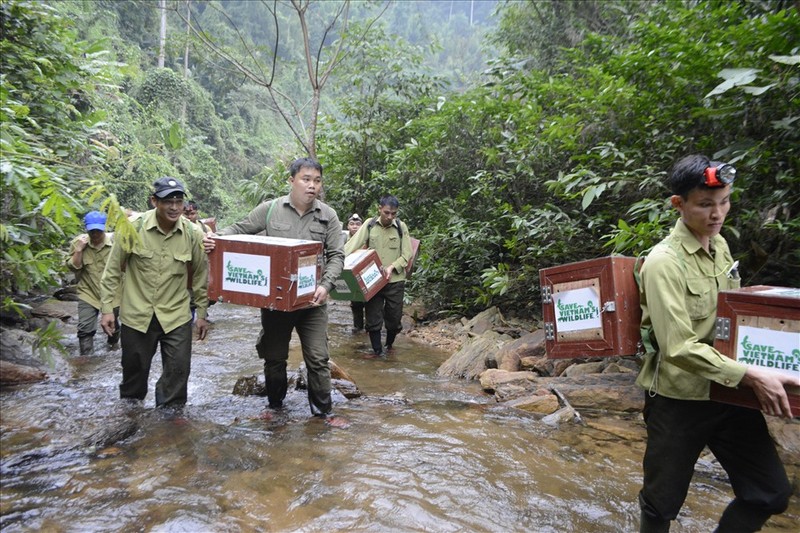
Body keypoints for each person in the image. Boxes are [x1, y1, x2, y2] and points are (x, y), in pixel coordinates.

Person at [636, 154, 795, 532]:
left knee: (769, 493)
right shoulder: (663, 263)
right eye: (706, 204)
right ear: (679, 205)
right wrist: (751, 375)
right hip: (678, 400)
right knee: (661, 505)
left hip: (728, 393)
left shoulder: (719, 246)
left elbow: (734, 318)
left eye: (724, 201)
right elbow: (677, 347)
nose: (718, 213)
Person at [203, 157, 347, 427]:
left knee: (317, 357)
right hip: (277, 302)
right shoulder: (270, 210)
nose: (312, 185)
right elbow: (238, 229)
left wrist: (325, 285)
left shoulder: (329, 216)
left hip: (311, 303)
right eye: (306, 179)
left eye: (317, 180)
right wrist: (215, 238)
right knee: (274, 357)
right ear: (292, 180)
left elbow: (338, 255)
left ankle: (323, 413)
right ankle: (275, 406)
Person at [99, 177, 209, 409]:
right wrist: (107, 309)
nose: (174, 207)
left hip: (176, 316)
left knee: (178, 375)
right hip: (137, 316)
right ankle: (130, 420)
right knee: (133, 381)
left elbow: (200, 275)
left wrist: (201, 314)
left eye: (178, 201)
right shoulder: (133, 228)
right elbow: (111, 271)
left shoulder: (192, 233)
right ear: (153, 201)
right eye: (168, 201)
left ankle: (167, 431)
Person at [345, 195, 412, 357]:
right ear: (379, 208)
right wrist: (336, 260)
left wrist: (392, 267)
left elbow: (407, 254)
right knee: (373, 317)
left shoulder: (401, 227)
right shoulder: (369, 225)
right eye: (387, 212)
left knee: (394, 318)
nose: (390, 217)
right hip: (373, 280)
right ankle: (377, 351)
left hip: (395, 280)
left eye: (393, 214)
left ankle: (389, 346)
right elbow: (351, 245)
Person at [66, 211, 120, 355]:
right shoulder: (78, 243)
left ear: (104, 228)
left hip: (113, 294)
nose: (95, 234)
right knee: (84, 329)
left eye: (98, 230)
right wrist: (78, 250)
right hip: (88, 292)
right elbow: (72, 267)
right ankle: (86, 359)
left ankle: (113, 347)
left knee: (113, 324)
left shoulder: (116, 241)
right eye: (92, 231)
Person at [346, 213, 366, 333]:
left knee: (370, 301)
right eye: (352, 224)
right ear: (348, 226)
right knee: (356, 301)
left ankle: (371, 327)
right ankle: (358, 327)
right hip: (351, 274)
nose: (355, 226)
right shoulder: (343, 239)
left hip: (364, 273)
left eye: (358, 224)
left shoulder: (366, 238)